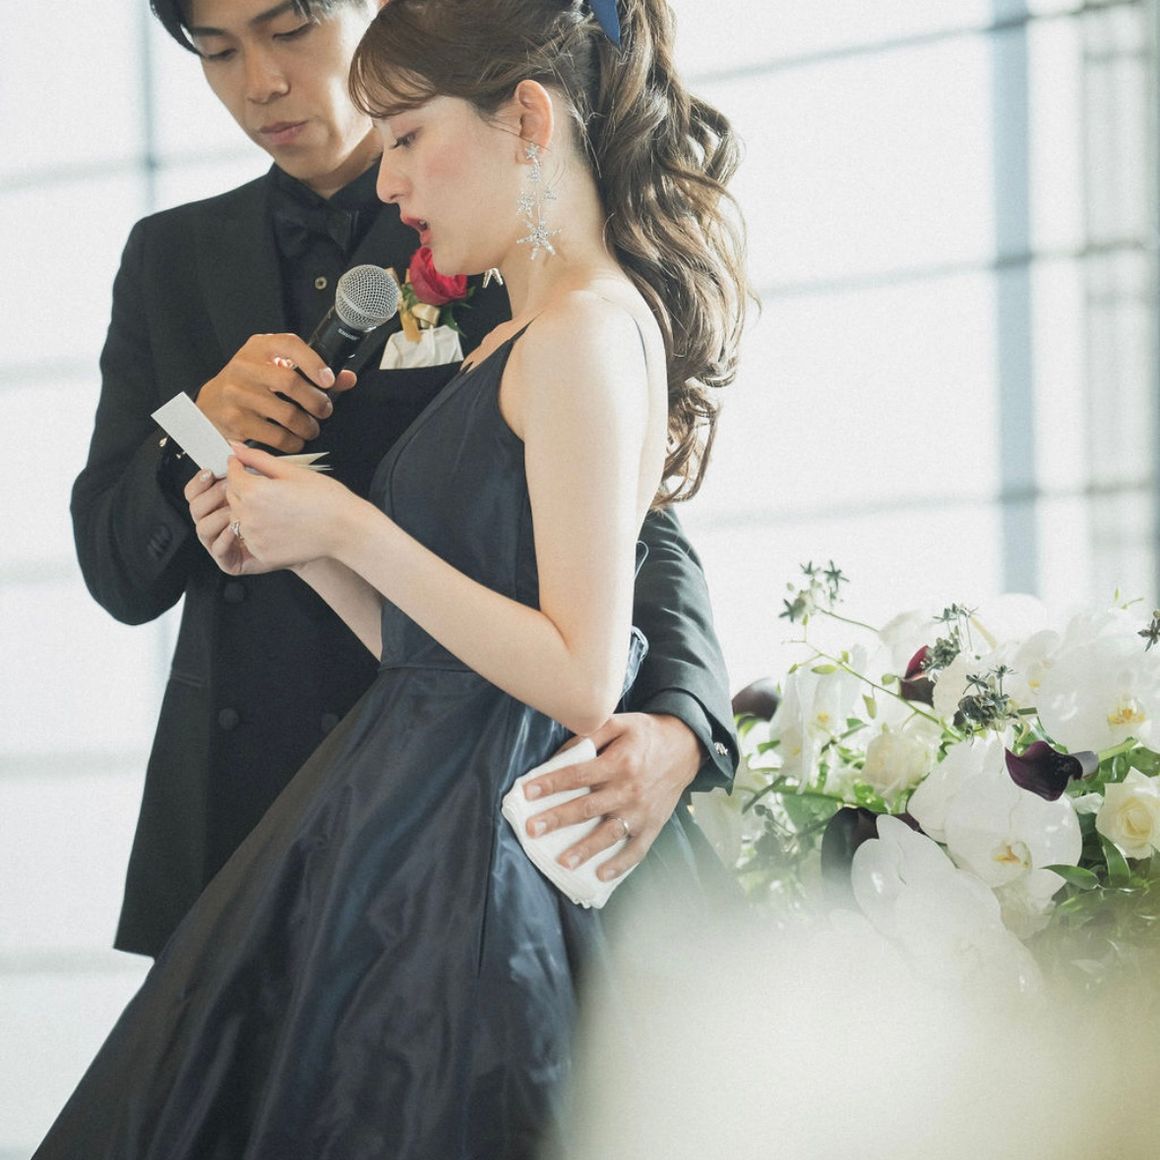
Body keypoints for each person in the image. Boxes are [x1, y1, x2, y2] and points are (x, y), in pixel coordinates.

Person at [71, 0, 738, 959]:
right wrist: (200, 436)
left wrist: (681, 718)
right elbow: (114, 568)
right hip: (249, 805)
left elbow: (634, 521)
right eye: (217, 52)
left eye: (287, 32)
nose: (259, 82)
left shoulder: (501, 204)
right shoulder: (167, 259)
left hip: (473, 797)